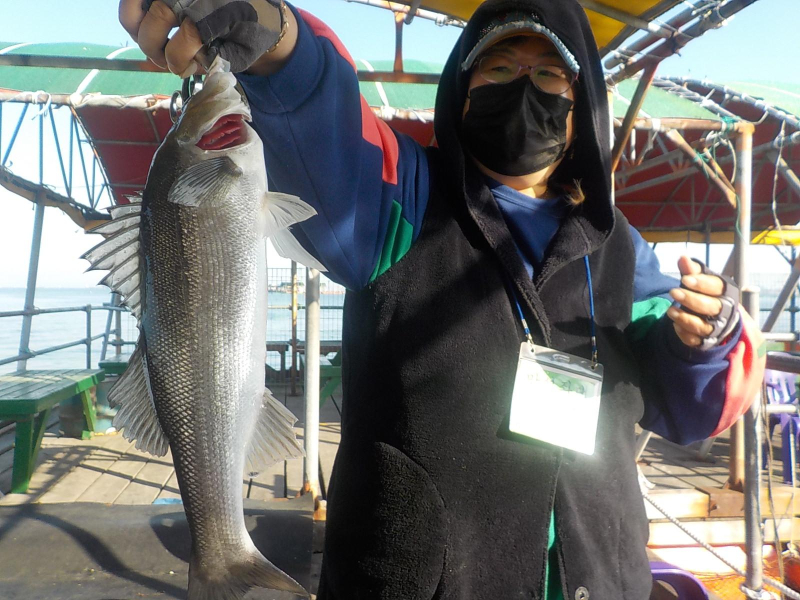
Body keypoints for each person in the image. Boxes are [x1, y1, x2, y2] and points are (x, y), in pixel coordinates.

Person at [119, 0, 766, 598]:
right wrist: (277, 38)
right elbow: (323, 130)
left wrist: (710, 341)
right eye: (499, 67)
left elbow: (691, 411)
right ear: (460, 90)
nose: (523, 86)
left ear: (583, 104)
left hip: (600, 576)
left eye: (549, 74)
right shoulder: (402, 194)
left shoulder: (621, 246)